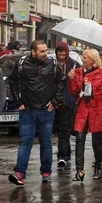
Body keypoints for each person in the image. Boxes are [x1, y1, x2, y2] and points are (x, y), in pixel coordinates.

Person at [8, 40, 64, 186]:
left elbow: (61, 82)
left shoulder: (53, 63)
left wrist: (55, 102)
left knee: (46, 143)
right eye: (42, 51)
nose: (45, 54)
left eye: (46, 50)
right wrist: (18, 102)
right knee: (25, 142)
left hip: (46, 110)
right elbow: (12, 82)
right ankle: (19, 173)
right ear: (33, 52)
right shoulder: (21, 64)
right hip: (27, 110)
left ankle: (46, 172)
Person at [68, 49, 102, 181]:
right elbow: (73, 91)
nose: (82, 59)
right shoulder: (78, 72)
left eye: (85, 58)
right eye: (83, 57)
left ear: (93, 60)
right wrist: (71, 79)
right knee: (79, 138)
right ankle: (79, 170)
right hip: (83, 108)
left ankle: (98, 165)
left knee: (97, 140)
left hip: (97, 109)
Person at [54, 42, 78, 168]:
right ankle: (66, 152)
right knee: (61, 130)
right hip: (55, 102)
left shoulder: (74, 64)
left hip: (68, 102)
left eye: (64, 55)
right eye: (59, 55)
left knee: (65, 130)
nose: (61, 57)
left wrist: (73, 77)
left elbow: (79, 84)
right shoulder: (52, 64)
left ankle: (62, 155)